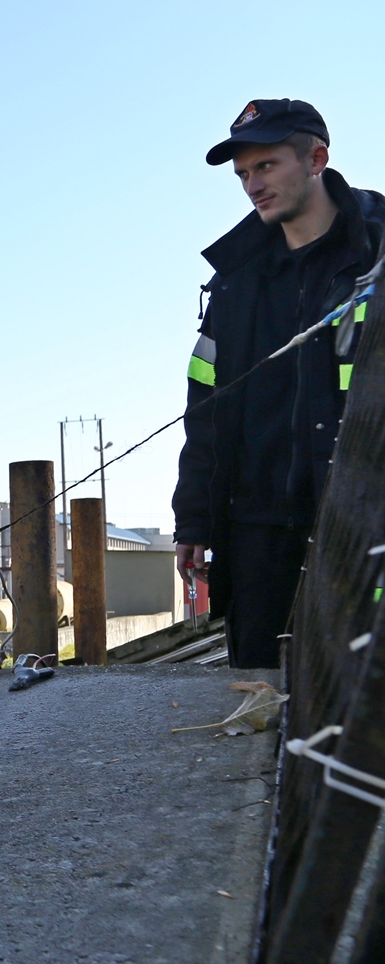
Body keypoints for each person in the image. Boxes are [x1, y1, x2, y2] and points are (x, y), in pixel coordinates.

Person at [174, 99, 385, 668]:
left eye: (265, 166)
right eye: (243, 174)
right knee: (259, 695)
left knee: (361, 696)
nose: (252, 186)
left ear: (316, 159)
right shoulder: (237, 280)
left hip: (361, 526)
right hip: (257, 534)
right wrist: (194, 517)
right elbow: (205, 406)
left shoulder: (376, 257)